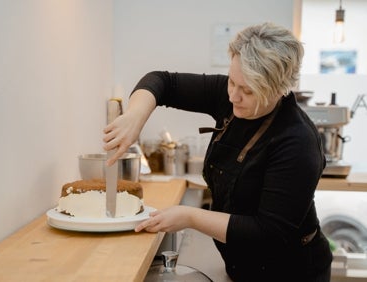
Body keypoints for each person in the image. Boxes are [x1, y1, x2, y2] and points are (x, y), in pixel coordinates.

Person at [103, 22, 333, 282]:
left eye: (248, 91)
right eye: (232, 82)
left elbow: (268, 234)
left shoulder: (297, 141)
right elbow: (162, 82)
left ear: (280, 89)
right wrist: (136, 116)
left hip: (290, 272)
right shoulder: (229, 95)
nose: (234, 96)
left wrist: (189, 216)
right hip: (241, 265)